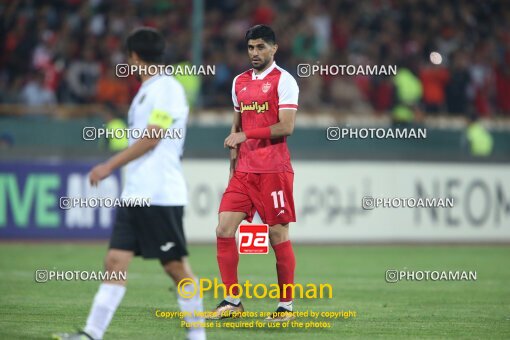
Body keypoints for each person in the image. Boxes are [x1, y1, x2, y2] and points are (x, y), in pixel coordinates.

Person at [53, 28, 205, 340]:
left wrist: (108, 165)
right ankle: (92, 334)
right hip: (135, 194)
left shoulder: (168, 89)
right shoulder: (148, 90)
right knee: (114, 261)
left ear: (134, 57)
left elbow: (152, 138)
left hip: (160, 194)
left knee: (175, 267)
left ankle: (197, 336)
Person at [209, 25, 299, 322]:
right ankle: (232, 301)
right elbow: (236, 127)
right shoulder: (239, 82)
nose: (255, 53)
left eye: (261, 47)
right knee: (223, 228)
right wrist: (233, 168)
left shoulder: (284, 81)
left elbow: (286, 127)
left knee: (277, 235)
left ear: (274, 48)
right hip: (244, 172)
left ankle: (285, 307)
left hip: (273, 169)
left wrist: (246, 136)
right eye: (250, 48)